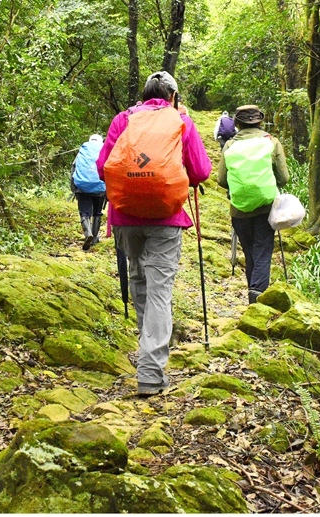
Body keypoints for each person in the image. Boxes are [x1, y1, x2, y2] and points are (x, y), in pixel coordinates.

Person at [97, 71, 212, 397]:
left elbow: (103, 165)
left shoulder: (123, 120)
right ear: (173, 97)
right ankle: (150, 371)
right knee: (160, 292)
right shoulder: (181, 122)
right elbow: (201, 171)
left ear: (143, 96)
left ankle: (148, 352)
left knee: (140, 282)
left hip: (125, 217)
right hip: (166, 217)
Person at [217, 105, 289, 304]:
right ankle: (256, 294)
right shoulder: (272, 142)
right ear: (260, 121)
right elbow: (284, 178)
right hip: (266, 207)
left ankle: (253, 292)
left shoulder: (229, 146)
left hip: (239, 209)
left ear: (237, 123)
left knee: (250, 252)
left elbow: (222, 180)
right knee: (263, 250)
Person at [71, 134, 107, 251]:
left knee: (84, 213)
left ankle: (88, 234)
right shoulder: (104, 149)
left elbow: (74, 167)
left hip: (82, 186)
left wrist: (74, 188)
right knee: (97, 212)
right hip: (100, 186)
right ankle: (95, 238)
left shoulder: (84, 149)